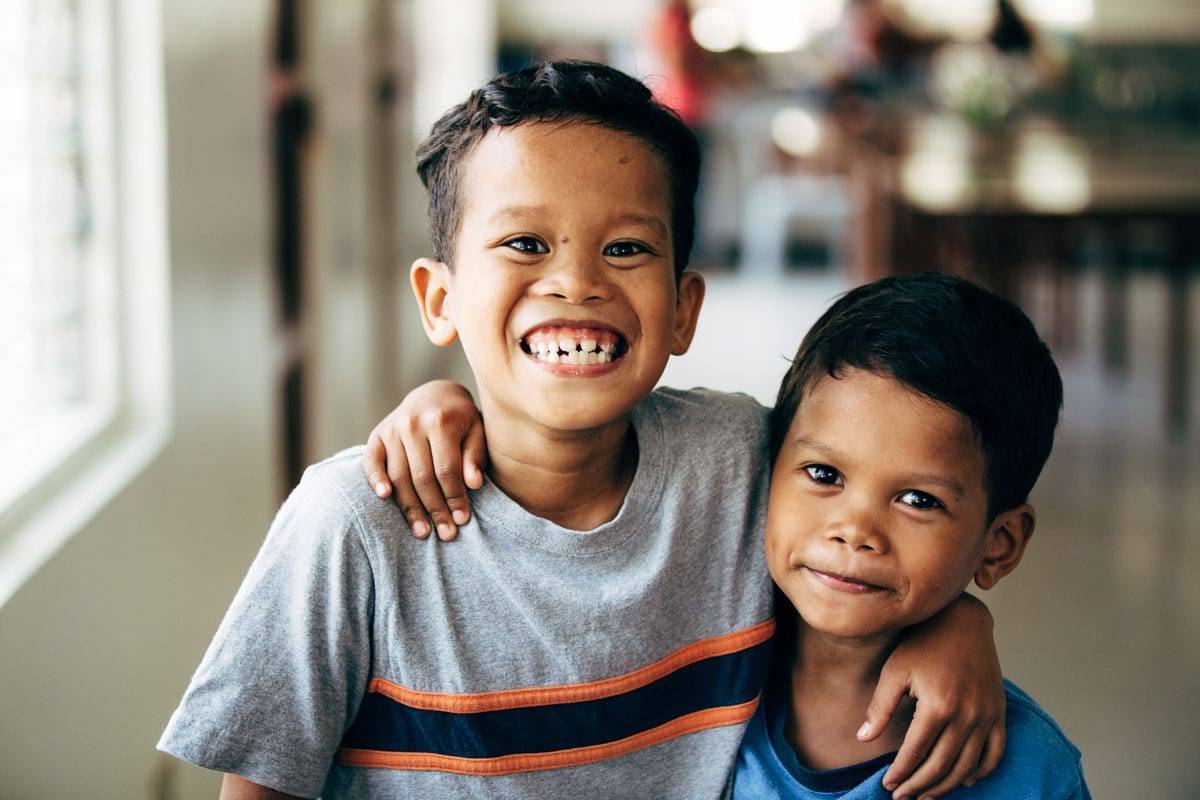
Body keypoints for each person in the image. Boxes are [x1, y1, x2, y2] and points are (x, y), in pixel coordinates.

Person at [159, 62, 1004, 800]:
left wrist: (959, 623)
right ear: (439, 299)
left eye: (628, 248)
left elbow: (864, 523)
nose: (575, 281)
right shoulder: (353, 526)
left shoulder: (739, 461)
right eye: (524, 242)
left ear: (682, 309)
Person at [734, 274, 1088, 798]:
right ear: (768, 465)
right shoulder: (705, 677)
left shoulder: (1031, 772)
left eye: (919, 500)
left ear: (1000, 544)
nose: (855, 531)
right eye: (824, 475)